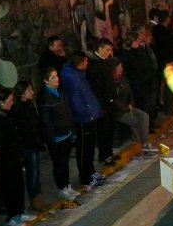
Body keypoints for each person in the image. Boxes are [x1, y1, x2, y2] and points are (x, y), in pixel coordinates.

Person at [0, 88, 36, 226]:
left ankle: (20, 211)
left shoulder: (7, 115)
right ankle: (12, 215)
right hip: (6, 161)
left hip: (15, 157)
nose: (12, 103)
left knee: (18, 186)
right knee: (10, 188)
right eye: (9, 101)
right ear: (1, 102)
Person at [60, 51, 106, 189]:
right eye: (85, 62)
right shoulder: (71, 78)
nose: (87, 64)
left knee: (90, 148)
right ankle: (85, 178)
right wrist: (88, 112)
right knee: (84, 148)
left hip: (89, 116)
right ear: (79, 63)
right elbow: (76, 100)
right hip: (82, 119)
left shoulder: (79, 75)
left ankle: (91, 172)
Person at [36, 68, 79, 202]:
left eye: (56, 77)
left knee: (65, 162)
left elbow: (67, 111)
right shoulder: (45, 98)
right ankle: (61, 188)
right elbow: (46, 122)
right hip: (57, 137)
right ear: (45, 81)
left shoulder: (60, 92)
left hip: (66, 133)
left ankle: (67, 185)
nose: (56, 80)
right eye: (52, 78)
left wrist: (71, 129)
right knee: (59, 164)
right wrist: (51, 141)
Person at [11, 81, 48, 212]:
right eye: (29, 91)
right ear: (22, 94)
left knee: (36, 172)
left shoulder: (29, 105)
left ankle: (38, 196)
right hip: (28, 146)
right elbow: (25, 130)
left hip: (34, 144)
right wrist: (37, 142)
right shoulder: (19, 109)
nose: (32, 93)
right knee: (32, 173)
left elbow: (36, 124)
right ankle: (35, 198)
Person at [109, 57, 157, 153]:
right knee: (137, 122)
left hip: (128, 106)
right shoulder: (110, 82)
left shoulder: (123, 78)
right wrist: (127, 108)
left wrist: (130, 104)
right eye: (118, 68)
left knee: (144, 116)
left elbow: (130, 92)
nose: (120, 70)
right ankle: (144, 144)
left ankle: (144, 142)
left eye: (121, 67)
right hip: (118, 111)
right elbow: (114, 101)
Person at [86, 38, 121, 165]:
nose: (109, 52)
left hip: (110, 101)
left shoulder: (105, 62)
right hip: (103, 104)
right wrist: (102, 103)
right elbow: (96, 88)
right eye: (107, 49)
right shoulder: (94, 65)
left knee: (110, 128)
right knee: (104, 130)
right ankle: (105, 155)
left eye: (110, 50)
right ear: (99, 49)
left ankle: (109, 152)